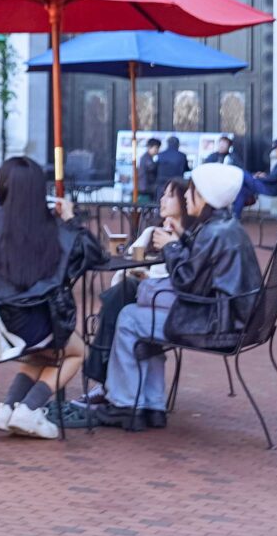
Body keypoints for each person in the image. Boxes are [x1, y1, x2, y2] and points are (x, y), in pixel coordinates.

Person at [107, 163, 263, 431]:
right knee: (144, 313)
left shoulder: (214, 232)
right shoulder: (228, 227)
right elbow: (202, 267)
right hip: (236, 321)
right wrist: (182, 237)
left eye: (191, 191)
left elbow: (185, 281)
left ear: (203, 196)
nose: (186, 196)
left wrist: (171, 247)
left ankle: (125, 404)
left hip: (215, 326)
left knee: (129, 317)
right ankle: (152, 406)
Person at [0, 156, 99, 439]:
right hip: (28, 324)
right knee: (77, 352)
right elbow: (95, 254)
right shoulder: (51, 228)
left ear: (3, 185)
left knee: (43, 353)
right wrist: (71, 219)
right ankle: (30, 409)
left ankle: (7, 408)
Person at [84, 175, 197, 418]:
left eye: (170, 195)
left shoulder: (193, 237)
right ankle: (143, 400)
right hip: (151, 298)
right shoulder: (152, 232)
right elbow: (122, 272)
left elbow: (185, 278)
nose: (162, 200)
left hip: (170, 304)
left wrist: (171, 248)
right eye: (164, 194)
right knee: (120, 294)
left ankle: (111, 387)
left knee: (121, 305)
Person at [133, 137, 163, 209]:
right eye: (156, 148)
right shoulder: (146, 158)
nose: (157, 150)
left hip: (147, 185)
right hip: (145, 186)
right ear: (150, 147)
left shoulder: (148, 157)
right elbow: (152, 167)